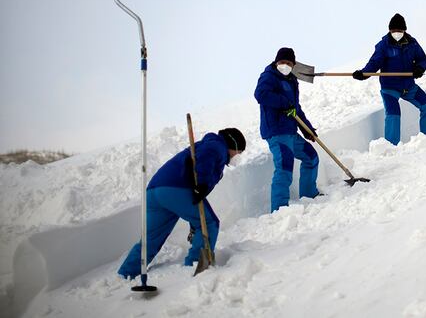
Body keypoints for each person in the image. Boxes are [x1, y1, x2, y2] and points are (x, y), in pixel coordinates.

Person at [118, 127, 246, 278]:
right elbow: (204, 161)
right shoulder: (217, 146)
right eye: (238, 152)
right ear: (232, 145)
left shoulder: (209, 145)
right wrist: (203, 184)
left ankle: (126, 273)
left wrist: (195, 218)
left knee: (152, 238)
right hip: (176, 187)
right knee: (210, 223)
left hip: (155, 191)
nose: (237, 156)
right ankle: (197, 267)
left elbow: (195, 198)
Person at [352, 13, 426, 145]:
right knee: (394, 115)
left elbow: (421, 58)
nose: (396, 33)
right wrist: (363, 74)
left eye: (399, 31)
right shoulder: (383, 45)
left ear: (404, 31)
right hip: (390, 88)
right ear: (389, 30)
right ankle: (391, 147)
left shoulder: (412, 43)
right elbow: (374, 62)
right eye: (393, 31)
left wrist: (419, 68)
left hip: (409, 86)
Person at [254, 47, 320, 212]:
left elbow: (295, 108)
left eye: (288, 63)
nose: (284, 65)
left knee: (311, 157)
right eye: (281, 62)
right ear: (276, 62)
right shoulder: (269, 76)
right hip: (277, 132)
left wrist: (307, 130)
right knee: (284, 168)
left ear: (293, 65)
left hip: (290, 132)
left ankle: (309, 196)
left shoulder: (292, 80)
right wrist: (284, 103)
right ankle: (279, 210)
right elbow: (260, 94)